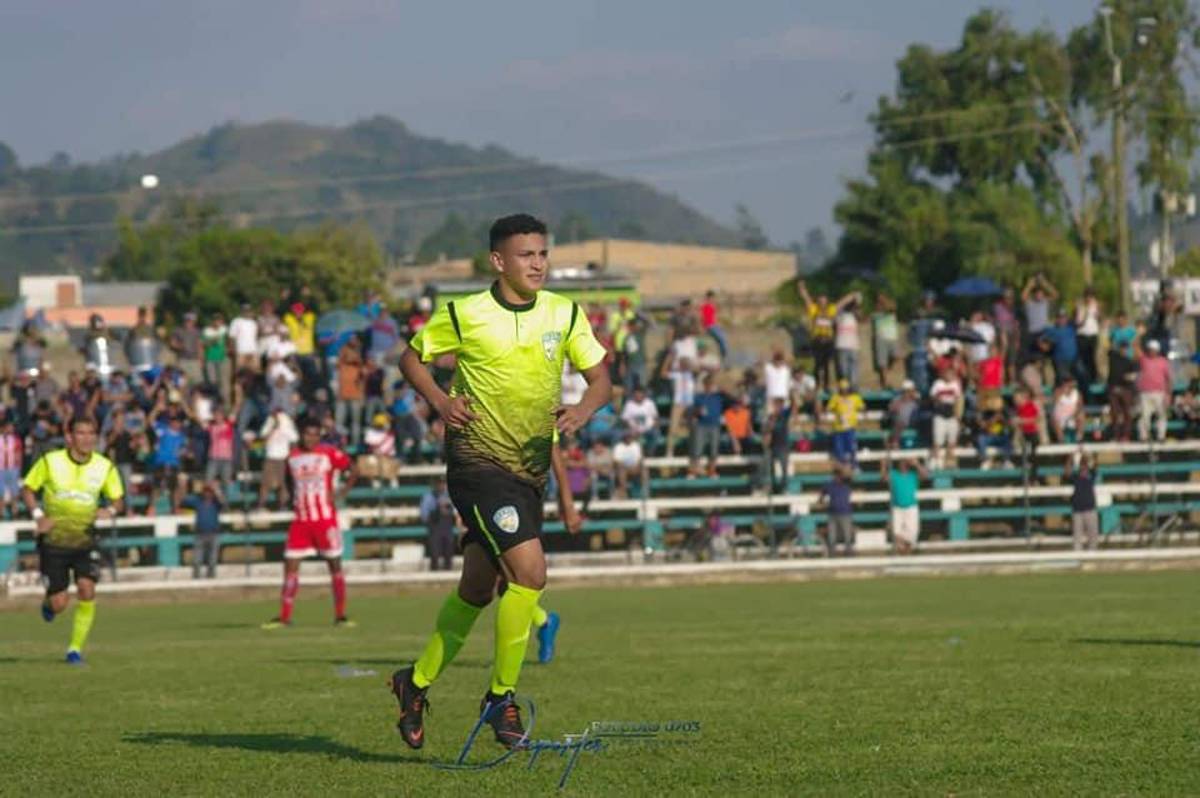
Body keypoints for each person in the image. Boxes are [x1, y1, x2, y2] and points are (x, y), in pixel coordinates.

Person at [390, 213, 611, 750]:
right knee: (530, 574)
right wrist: (441, 401)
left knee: (478, 588)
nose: (537, 263)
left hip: (529, 469)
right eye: (525, 255)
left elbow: (601, 377)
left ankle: (413, 684)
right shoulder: (465, 314)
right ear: (498, 261)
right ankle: (499, 698)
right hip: (477, 464)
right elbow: (411, 358)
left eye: (542, 253)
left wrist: (583, 407)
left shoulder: (565, 311)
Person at [22, 416, 125, 664]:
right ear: (69, 437)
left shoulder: (105, 467)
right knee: (60, 604)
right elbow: (28, 488)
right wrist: (38, 516)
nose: (87, 438)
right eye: (81, 433)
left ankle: (74, 650)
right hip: (54, 541)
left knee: (87, 588)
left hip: (85, 540)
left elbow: (118, 499)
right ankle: (49, 604)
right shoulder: (50, 462)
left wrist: (109, 511)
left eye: (92, 433)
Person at [262, 417, 358, 628]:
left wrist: (342, 492)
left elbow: (354, 468)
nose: (311, 438)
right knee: (290, 566)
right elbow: (289, 480)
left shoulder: (329, 453)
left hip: (325, 520)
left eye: (315, 434)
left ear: (319, 436)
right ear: (301, 435)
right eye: (307, 434)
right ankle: (284, 616)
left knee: (335, 565)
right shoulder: (293, 457)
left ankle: (340, 615)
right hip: (301, 521)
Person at [882, 451, 928, 555]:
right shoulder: (893, 474)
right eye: (901, 462)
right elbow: (884, 478)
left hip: (911, 508)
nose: (903, 464)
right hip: (897, 508)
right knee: (896, 534)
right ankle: (902, 554)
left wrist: (916, 464)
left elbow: (925, 476)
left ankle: (907, 554)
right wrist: (884, 465)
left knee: (912, 536)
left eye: (905, 462)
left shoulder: (913, 475)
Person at [183, 481, 224, 579]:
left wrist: (217, 490)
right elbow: (184, 500)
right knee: (197, 559)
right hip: (200, 534)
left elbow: (223, 502)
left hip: (213, 533)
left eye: (209, 491)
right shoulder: (197, 501)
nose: (207, 494)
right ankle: (196, 577)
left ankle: (211, 577)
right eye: (205, 491)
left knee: (212, 559)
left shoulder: (216, 503)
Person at [1136, 338, 1172, 442]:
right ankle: (1144, 436)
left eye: (1154, 349)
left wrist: (1168, 394)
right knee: (1144, 415)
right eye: (1150, 349)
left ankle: (1161, 436)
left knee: (1162, 415)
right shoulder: (1144, 359)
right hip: (1145, 393)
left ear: (1157, 350)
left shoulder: (1163, 361)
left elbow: (1168, 378)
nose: (1152, 351)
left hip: (1159, 393)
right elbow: (1136, 349)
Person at [419, 477, 457, 572]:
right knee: (435, 553)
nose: (441, 486)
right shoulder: (429, 496)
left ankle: (448, 569)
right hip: (435, 526)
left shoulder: (449, 496)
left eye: (443, 483)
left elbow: (455, 510)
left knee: (449, 551)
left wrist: (448, 509)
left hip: (447, 525)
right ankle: (434, 570)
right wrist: (437, 509)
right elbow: (424, 514)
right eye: (439, 483)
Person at [689, 374, 723, 478]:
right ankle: (693, 471)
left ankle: (712, 471)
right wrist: (697, 411)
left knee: (714, 450)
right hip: (701, 425)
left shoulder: (719, 397)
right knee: (697, 449)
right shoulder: (698, 397)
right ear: (704, 385)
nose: (710, 386)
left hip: (715, 425)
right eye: (707, 384)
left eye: (711, 384)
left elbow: (734, 400)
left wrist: (722, 389)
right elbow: (690, 411)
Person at [826, 379, 864, 471]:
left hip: (850, 428)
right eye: (842, 389)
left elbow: (862, 407)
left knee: (852, 448)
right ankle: (842, 468)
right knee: (839, 450)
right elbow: (829, 408)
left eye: (846, 389)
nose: (844, 391)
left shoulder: (855, 398)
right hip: (838, 428)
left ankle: (854, 466)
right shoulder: (835, 398)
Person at [929, 367, 963, 470]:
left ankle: (950, 463)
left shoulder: (956, 384)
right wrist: (938, 399)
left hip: (952, 414)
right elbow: (932, 397)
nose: (949, 376)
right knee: (937, 442)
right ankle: (935, 461)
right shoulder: (937, 384)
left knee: (952, 442)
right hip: (940, 414)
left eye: (951, 374)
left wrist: (958, 417)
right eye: (947, 373)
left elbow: (958, 400)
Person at [1065, 452, 1100, 552]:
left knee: (1093, 535)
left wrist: (1087, 455)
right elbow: (1067, 472)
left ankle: (1092, 555)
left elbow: (1096, 464)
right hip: (1078, 510)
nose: (1084, 467)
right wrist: (1070, 459)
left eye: (1085, 464)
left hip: (1090, 509)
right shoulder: (1075, 477)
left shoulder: (1091, 475)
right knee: (1077, 536)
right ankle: (1077, 555)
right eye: (1082, 464)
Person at [818, 462, 855, 557]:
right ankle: (832, 553)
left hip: (845, 512)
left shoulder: (847, 482)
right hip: (832, 513)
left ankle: (848, 552)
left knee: (847, 534)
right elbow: (822, 493)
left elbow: (851, 474)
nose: (837, 477)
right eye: (836, 475)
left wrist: (842, 467)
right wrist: (821, 501)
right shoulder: (830, 485)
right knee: (832, 535)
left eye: (838, 474)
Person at [871, 294, 899, 389]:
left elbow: (893, 306)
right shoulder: (876, 314)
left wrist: (884, 299)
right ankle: (886, 383)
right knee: (882, 363)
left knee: (895, 357)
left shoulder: (891, 311)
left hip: (892, 338)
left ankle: (885, 375)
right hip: (881, 338)